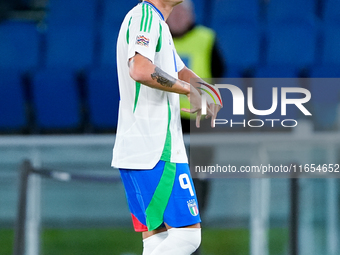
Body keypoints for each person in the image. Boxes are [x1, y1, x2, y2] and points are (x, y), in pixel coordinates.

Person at [111, 0, 221, 254]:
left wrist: (203, 88)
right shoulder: (145, 18)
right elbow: (139, 69)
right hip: (157, 147)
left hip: (140, 147)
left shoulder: (155, 22)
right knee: (187, 238)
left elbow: (179, 70)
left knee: (157, 240)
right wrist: (188, 91)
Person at [167, 3, 225, 254]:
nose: (178, 17)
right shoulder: (156, 41)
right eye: (174, 12)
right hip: (167, 123)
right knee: (168, 184)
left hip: (199, 123)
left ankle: (191, 240)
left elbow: (219, 76)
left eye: (183, 12)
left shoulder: (206, 38)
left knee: (197, 182)